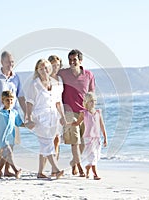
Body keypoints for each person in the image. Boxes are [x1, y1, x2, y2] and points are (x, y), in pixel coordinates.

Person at [0, 51, 26, 177]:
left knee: (11, 141)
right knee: (0, 142)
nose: (10, 64)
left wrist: (27, 114)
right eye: (7, 62)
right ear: (2, 62)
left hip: (13, 114)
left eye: (12, 62)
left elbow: (21, 97)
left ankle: (6, 169)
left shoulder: (16, 77)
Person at [25, 58, 65, 179]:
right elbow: (29, 102)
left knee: (45, 144)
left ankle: (40, 172)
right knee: (47, 143)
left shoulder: (55, 83)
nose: (44, 70)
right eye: (41, 68)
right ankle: (56, 169)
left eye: (46, 67)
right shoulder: (35, 84)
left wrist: (63, 117)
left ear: (50, 68)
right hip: (39, 117)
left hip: (53, 117)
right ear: (37, 70)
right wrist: (28, 118)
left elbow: (58, 102)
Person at [58, 49, 96, 177]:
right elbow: (50, 73)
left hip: (84, 112)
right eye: (70, 60)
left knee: (83, 143)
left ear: (80, 61)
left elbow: (92, 94)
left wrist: (92, 110)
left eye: (74, 60)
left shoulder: (89, 75)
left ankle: (74, 162)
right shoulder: (63, 73)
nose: (72, 62)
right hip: (69, 111)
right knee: (75, 141)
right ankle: (79, 167)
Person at [0, 91, 23, 179]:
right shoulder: (0, 114)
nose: (9, 102)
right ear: (3, 101)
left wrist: (29, 125)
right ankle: (16, 170)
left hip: (11, 138)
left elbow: (19, 123)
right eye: (7, 100)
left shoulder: (14, 113)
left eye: (11, 100)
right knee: (9, 153)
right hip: (2, 139)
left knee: (5, 155)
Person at [72, 92, 107, 180]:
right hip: (88, 137)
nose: (93, 103)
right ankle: (95, 174)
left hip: (97, 137)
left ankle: (88, 167)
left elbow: (102, 125)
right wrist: (68, 123)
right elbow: (77, 123)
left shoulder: (98, 112)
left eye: (94, 101)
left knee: (97, 156)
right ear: (86, 102)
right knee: (93, 156)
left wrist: (105, 137)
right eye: (91, 101)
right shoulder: (84, 113)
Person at [48, 55, 63, 161]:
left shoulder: (60, 78)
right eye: (53, 65)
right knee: (50, 138)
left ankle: (55, 164)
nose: (56, 67)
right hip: (49, 111)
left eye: (57, 65)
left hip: (59, 110)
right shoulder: (46, 79)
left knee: (57, 138)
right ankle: (51, 165)